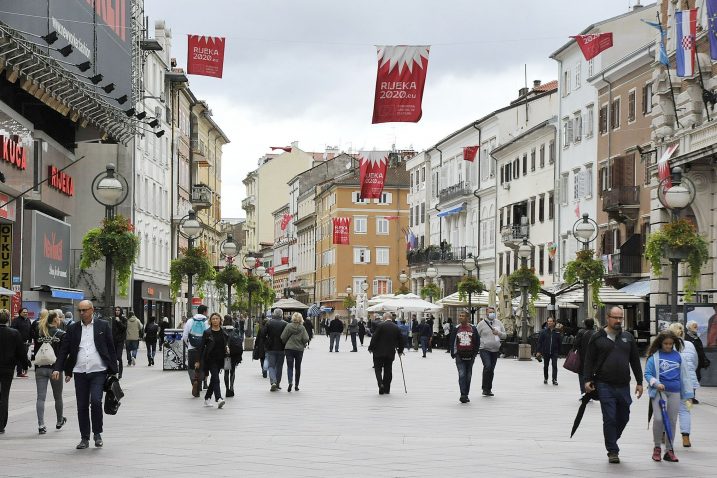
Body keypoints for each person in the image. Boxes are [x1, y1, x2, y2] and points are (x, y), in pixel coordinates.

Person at [52, 300, 118, 449]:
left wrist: (114, 370)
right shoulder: (73, 328)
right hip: (80, 372)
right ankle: (84, 437)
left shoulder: (103, 325)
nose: (81, 313)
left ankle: (97, 433)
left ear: (92, 310)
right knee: (81, 405)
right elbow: (64, 350)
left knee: (95, 401)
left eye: (84, 310)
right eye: (79, 310)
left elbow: (110, 347)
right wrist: (58, 368)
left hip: (98, 370)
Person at [583, 306, 643, 464]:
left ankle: (611, 438)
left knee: (624, 416)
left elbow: (635, 360)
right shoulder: (597, 337)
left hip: (623, 385)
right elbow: (588, 360)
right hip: (604, 384)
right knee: (609, 418)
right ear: (607, 318)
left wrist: (639, 382)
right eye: (615, 318)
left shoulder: (628, 337)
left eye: (620, 318)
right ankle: (612, 450)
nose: (618, 321)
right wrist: (587, 380)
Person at [645, 330, 693, 462]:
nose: (668, 346)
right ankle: (656, 448)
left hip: (675, 392)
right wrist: (656, 383)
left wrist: (688, 394)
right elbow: (648, 374)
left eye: (670, 344)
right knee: (659, 419)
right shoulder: (654, 357)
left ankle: (669, 450)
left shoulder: (679, 356)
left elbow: (685, 376)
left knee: (672, 421)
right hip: (659, 392)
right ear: (660, 343)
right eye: (665, 343)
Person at [32, 309, 67, 435]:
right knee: (58, 397)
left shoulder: (39, 332)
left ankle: (41, 425)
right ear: (55, 319)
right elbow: (64, 353)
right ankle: (59, 421)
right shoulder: (61, 334)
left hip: (40, 368)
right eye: (59, 317)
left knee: (40, 398)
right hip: (55, 369)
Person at [668, 322, 699, 448]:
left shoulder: (669, 346)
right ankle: (686, 438)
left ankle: (666, 435)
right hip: (689, 385)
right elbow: (695, 363)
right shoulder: (690, 344)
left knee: (668, 410)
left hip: (673, 384)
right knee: (686, 410)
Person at [1, 308, 31, 434]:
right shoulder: (14, 333)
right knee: (4, 395)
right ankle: (1, 424)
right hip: (8, 368)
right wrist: (25, 363)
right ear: (8, 319)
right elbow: (21, 352)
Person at [368, 315, 404, 394]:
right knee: (388, 370)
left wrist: (370, 347)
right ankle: (386, 389)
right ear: (391, 318)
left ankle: (380, 383)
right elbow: (401, 340)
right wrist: (400, 350)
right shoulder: (396, 327)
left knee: (378, 369)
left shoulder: (380, 326)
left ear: (384, 318)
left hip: (378, 352)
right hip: (390, 352)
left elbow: (374, 337)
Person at [198, 313, 227, 408]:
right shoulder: (207, 332)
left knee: (214, 379)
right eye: (213, 319)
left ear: (220, 320)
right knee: (216, 378)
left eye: (217, 318)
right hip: (210, 359)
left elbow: (226, 344)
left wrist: (228, 348)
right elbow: (201, 347)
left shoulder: (224, 332)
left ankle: (207, 398)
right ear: (210, 321)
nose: (215, 320)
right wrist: (197, 360)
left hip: (220, 359)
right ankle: (218, 398)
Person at [476, 306, 506, 397]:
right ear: (486, 313)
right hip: (484, 349)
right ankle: (484, 388)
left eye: (493, 312)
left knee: (491, 369)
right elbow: (476, 336)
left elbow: (505, 336)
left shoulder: (499, 323)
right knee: (487, 366)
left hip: (495, 350)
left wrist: (499, 333)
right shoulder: (481, 324)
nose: (492, 314)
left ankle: (488, 389)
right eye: (490, 312)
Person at [452, 311, 480, 403]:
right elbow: (452, 341)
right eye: (460, 315)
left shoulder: (473, 329)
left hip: (470, 355)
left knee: (468, 375)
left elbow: (477, 342)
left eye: (463, 316)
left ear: (468, 318)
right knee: (462, 374)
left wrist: (475, 353)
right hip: (459, 355)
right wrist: (454, 353)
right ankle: (463, 394)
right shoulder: (456, 328)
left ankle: (466, 393)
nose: (460, 317)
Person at [182, 305, 209, 397]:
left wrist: (189, 344)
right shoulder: (207, 322)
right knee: (202, 367)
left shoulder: (190, 321)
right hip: (204, 349)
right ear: (205, 312)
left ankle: (194, 382)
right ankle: (199, 384)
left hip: (192, 348)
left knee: (191, 367)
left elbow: (185, 336)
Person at [281, 313, 309, 392]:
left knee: (290, 366)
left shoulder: (288, 326)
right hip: (299, 350)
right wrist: (302, 342)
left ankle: (290, 382)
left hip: (289, 348)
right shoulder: (302, 328)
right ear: (301, 319)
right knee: (298, 367)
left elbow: (283, 337)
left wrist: (286, 342)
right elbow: (306, 338)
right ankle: (296, 385)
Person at [263, 308, 288, 391]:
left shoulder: (269, 322)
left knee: (271, 366)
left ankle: (273, 381)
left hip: (271, 348)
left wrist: (266, 342)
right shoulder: (285, 324)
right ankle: (277, 384)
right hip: (282, 348)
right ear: (281, 314)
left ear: (274, 314)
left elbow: (263, 334)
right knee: (279, 366)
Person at [536, 317, 562, 386]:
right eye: (548, 321)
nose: (549, 322)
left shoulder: (557, 332)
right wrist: (538, 351)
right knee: (546, 366)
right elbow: (539, 342)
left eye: (551, 321)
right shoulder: (543, 332)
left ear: (554, 323)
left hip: (554, 352)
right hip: (546, 351)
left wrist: (559, 352)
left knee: (554, 365)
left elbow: (560, 343)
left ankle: (554, 379)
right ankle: (546, 378)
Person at [574, 318, 596, 397]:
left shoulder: (581, 332)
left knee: (581, 374)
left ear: (585, 324)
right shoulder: (596, 333)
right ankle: (590, 392)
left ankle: (583, 392)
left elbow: (576, 344)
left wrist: (574, 350)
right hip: (593, 357)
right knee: (591, 374)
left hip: (582, 357)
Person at [684, 320, 709, 389]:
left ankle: (692, 396)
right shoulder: (686, 337)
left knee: (697, 378)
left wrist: (705, 359)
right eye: (694, 326)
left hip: (698, 362)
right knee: (692, 378)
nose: (696, 327)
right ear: (689, 327)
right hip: (691, 362)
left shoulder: (696, 337)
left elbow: (700, 350)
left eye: (696, 326)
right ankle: (691, 397)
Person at [11, 307, 31, 377]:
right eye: (24, 312)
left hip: (26, 342)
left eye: (26, 312)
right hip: (17, 342)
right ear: (20, 313)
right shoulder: (16, 320)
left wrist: (30, 340)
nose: (25, 313)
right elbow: (12, 330)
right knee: (18, 357)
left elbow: (30, 331)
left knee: (23, 357)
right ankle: (18, 372)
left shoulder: (28, 320)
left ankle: (20, 371)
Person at [225, 320, 243, 397]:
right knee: (232, 371)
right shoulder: (235, 332)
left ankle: (227, 389)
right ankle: (232, 387)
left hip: (226, 356)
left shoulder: (223, 332)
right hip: (234, 355)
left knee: (226, 372)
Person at [110, 307, 127, 379]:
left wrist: (119, 321)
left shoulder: (124, 319)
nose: (117, 311)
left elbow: (124, 328)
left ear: (121, 311)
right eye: (116, 310)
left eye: (118, 310)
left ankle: (120, 373)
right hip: (113, 340)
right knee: (113, 357)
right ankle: (114, 371)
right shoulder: (113, 319)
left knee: (118, 357)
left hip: (120, 341)